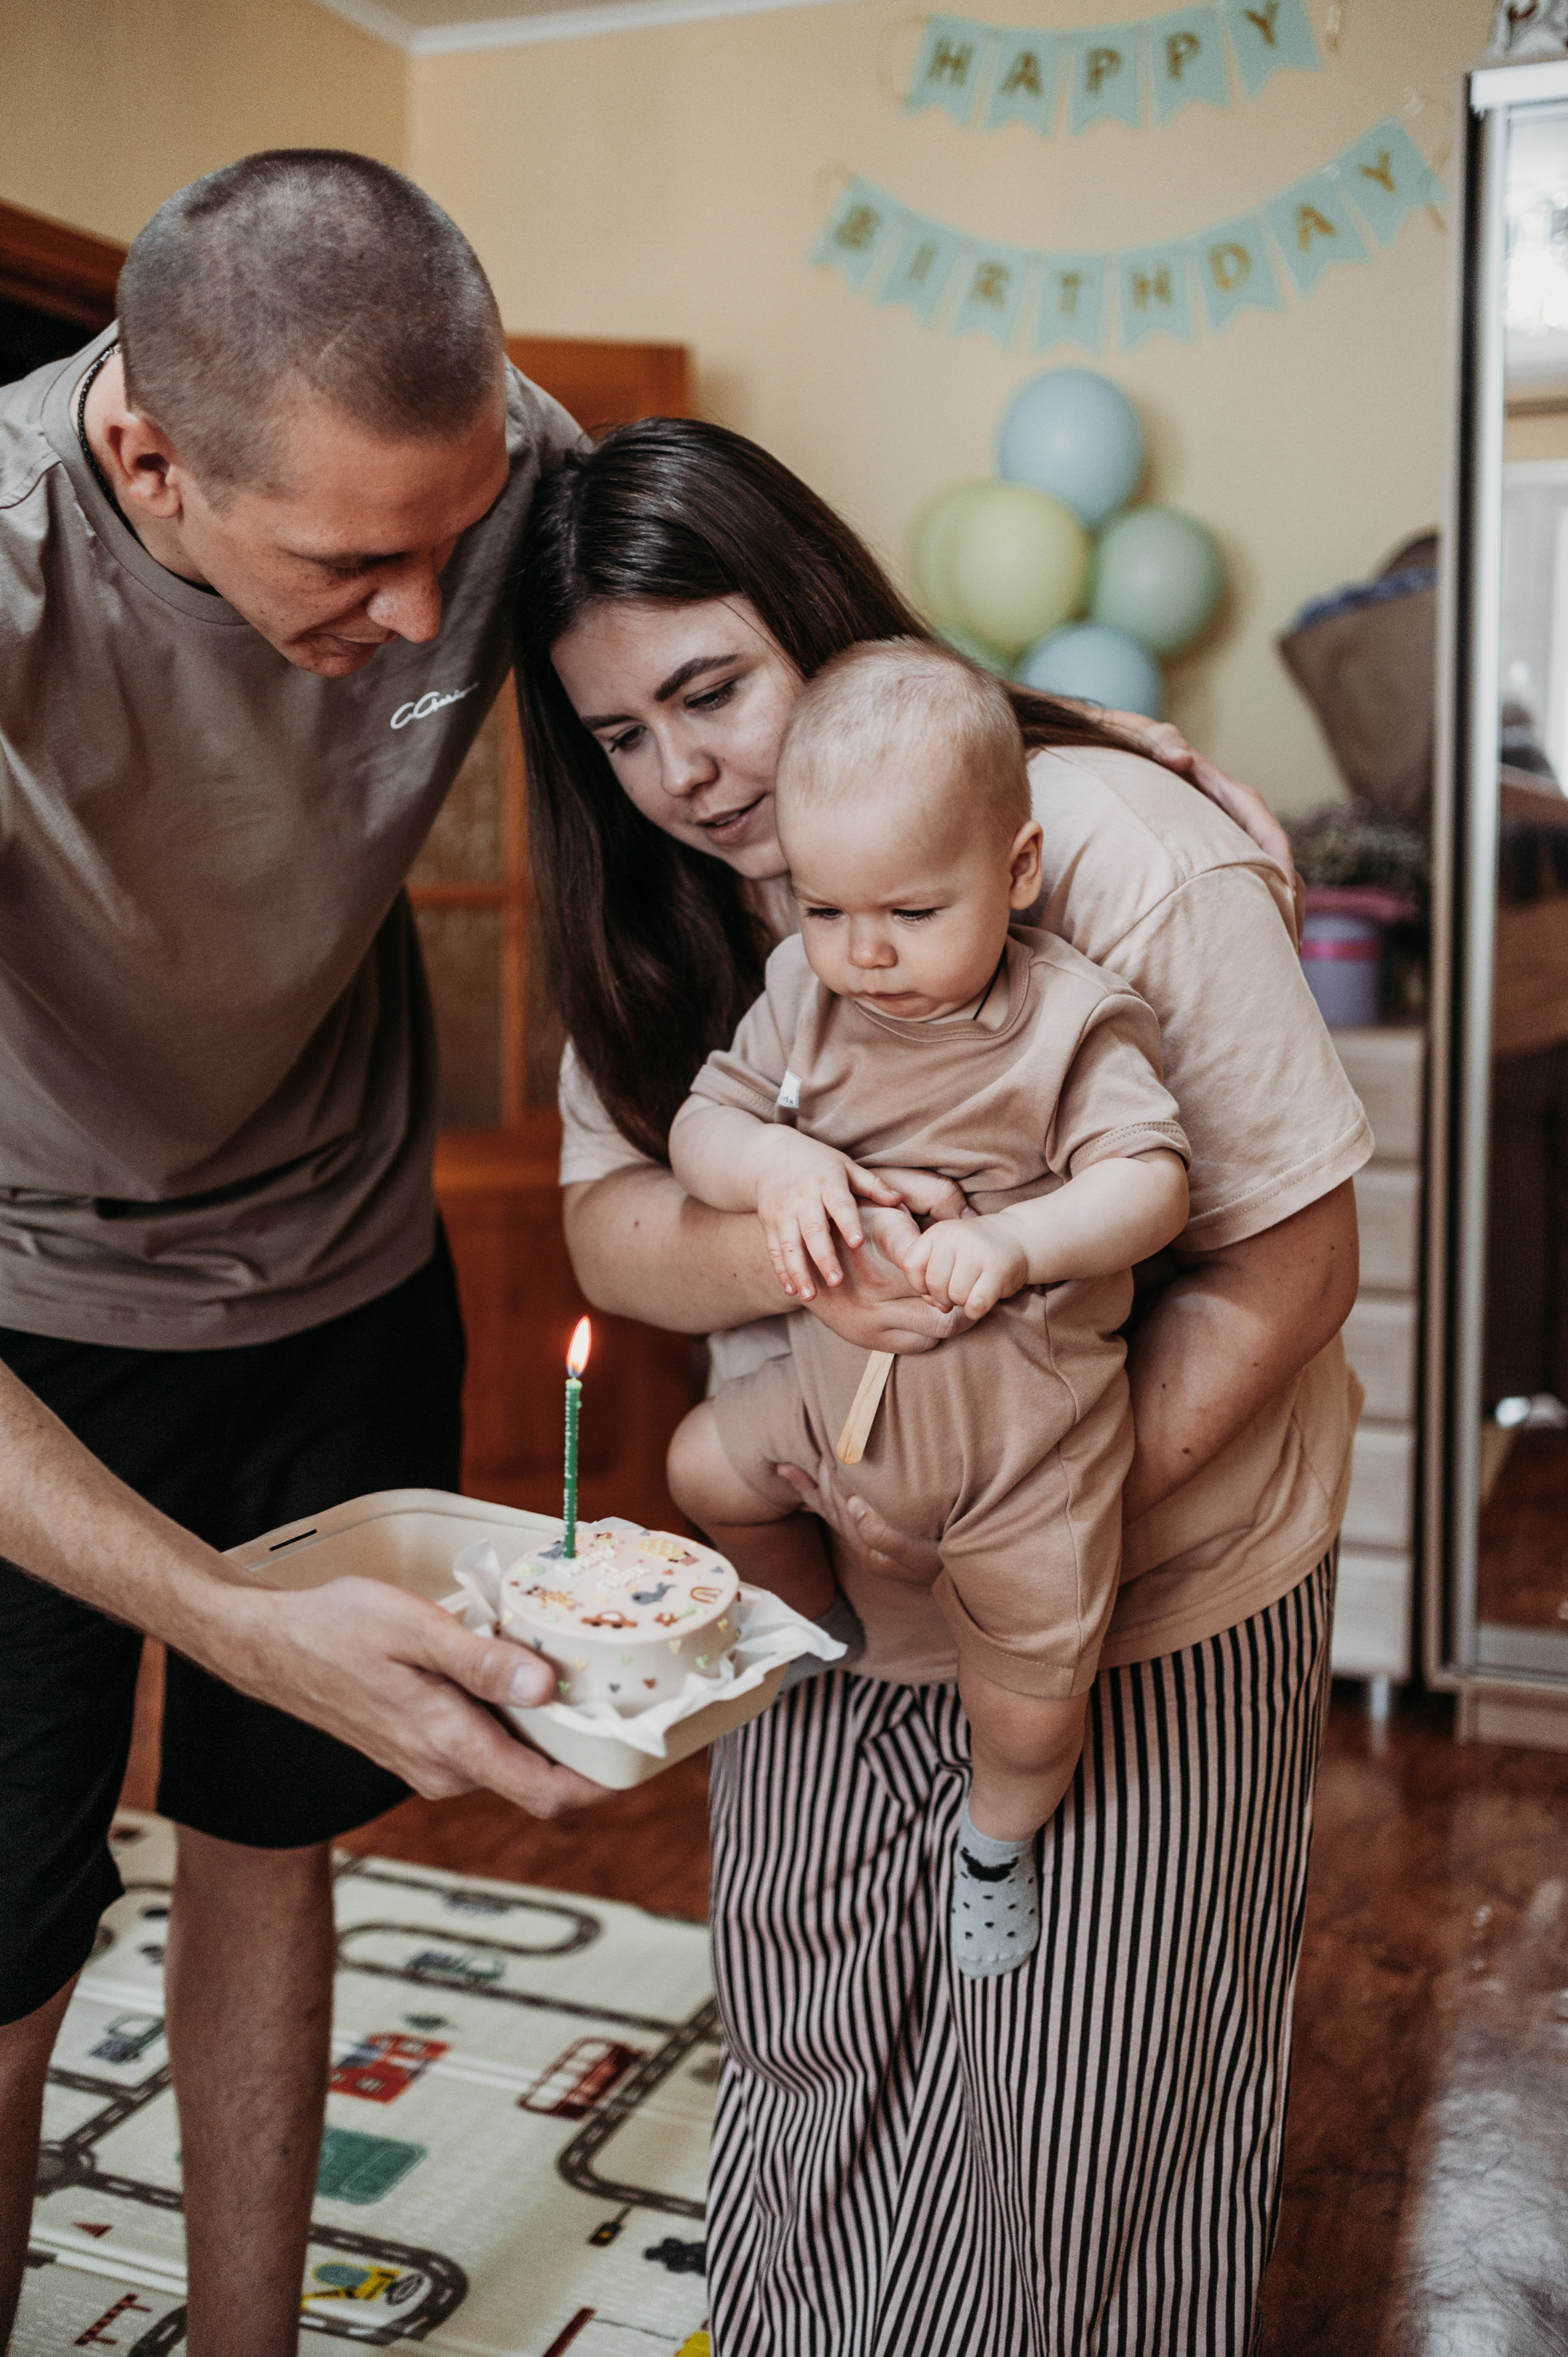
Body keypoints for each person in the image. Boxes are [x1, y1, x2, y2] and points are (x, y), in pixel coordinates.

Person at [515, 415, 1368, 2353]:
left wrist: (1022, 1539)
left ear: (813, 608)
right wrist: (795, 1242)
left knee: (1074, 2132)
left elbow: (1292, 1262)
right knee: (812, 2070)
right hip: (838, 1564)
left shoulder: (1124, 859)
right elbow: (611, 1227)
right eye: (621, 737)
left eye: (711, 689)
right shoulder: (681, 908)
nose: (685, 774)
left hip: (1126, 1580)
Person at [0, 151, 606, 2357]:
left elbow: (789, 709)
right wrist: (231, 1614)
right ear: (152, 456)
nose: (441, 623)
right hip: (29, 1314)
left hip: (343, 1251)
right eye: (366, 562)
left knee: (278, 1841)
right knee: (2, 1944)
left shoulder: (503, 464)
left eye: (465, 542)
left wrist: (1094, 777)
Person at [667, 639, 1191, 1977]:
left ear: (1014, 874)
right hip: (826, 1401)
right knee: (695, 1464)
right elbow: (700, 1126)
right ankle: (809, 1628)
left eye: (907, 911)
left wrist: (1019, 1244)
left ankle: (995, 1840)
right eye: (826, 909)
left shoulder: (1068, 1021)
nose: (864, 953)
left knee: (1027, 1700)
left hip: (1021, 1446)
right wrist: (774, 1163)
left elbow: (1151, 1184)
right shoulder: (803, 1000)